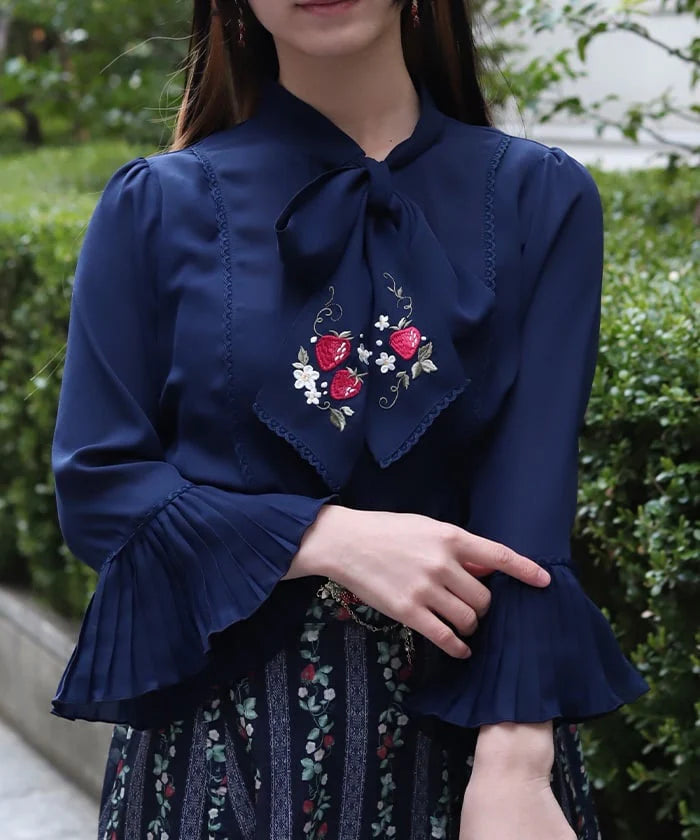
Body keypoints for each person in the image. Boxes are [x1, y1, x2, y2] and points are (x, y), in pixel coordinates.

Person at [49, 0, 650, 836]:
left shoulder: (538, 198)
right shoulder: (156, 207)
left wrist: (516, 763)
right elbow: (99, 488)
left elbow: (530, 514)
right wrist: (331, 539)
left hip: (467, 744)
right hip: (221, 752)